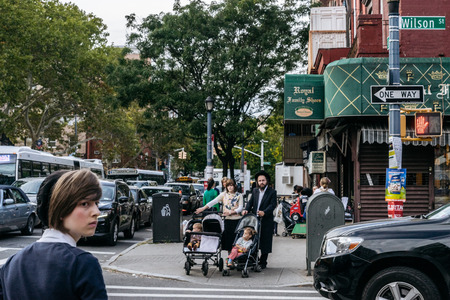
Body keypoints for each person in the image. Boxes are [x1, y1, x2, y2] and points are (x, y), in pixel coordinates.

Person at [0, 169, 107, 300]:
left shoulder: (12, 263)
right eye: (85, 204)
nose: (96, 211)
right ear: (61, 208)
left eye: (96, 203)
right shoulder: (82, 264)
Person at [195, 178, 243, 252]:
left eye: (231, 185)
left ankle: (235, 256)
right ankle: (230, 258)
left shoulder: (239, 195)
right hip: (227, 220)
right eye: (228, 186)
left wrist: (230, 212)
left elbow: (240, 208)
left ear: (235, 186)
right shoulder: (224, 194)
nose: (230, 187)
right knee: (229, 241)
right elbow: (213, 201)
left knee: (236, 240)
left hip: (237, 220)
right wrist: (203, 208)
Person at [242, 170, 277, 269]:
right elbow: (251, 202)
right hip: (255, 219)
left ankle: (263, 261)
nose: (261, 182)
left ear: (267, 181)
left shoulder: (272, 192)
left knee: (265, 240)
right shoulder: (255, 191)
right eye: (259, 180)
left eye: (263, 180)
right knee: (253, 238)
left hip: (266, 219)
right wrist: (246, 209)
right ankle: (252, 258)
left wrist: (264, 212)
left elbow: (273, 205)